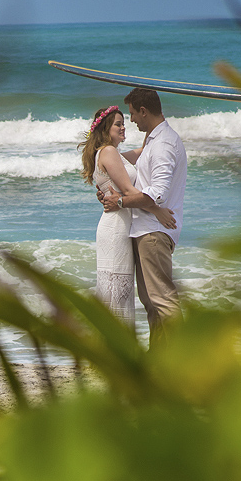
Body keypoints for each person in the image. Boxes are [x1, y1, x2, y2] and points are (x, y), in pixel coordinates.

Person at [100, 88, 187, 347]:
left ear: (143, 111)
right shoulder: (153, 140)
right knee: (151, 301)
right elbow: (120, 165)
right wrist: (104, 179)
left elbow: (157, 194)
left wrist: (119, 201)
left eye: (133, 115)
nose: (132, 121)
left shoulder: (163, 144)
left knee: (162, 299)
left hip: (154, 231)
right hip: (146, 228)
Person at [79, 105, 177, 327]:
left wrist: (156, 126)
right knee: (116, 291)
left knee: (117, 291)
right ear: (106, 128)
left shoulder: (113, 153)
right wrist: (157, 210)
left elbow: (144, 151)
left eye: (124, 122)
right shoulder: (109, 152)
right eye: (118, 124)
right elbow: (128, 191)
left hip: (120, 225)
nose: (124, 127)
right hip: (116, 228)